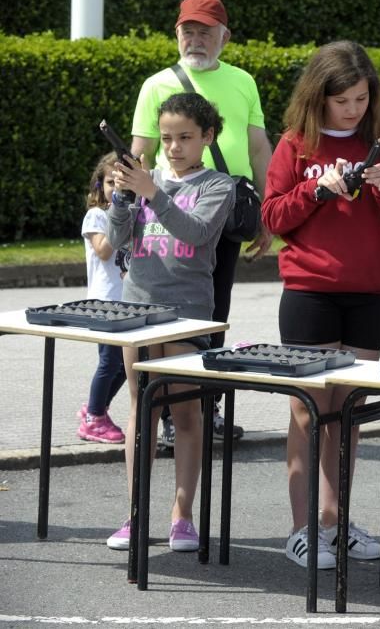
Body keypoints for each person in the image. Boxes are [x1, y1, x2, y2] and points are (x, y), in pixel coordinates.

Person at [261, 41, 380, 568]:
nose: (352, 109)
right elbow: (274, 217)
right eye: (342, 100)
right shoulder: (295, 145)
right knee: (309, 411)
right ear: (318, 97)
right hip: (309, 292)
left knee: (347, 415)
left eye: (360, 98)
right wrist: (316, 192)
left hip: (369, 293)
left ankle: (335, 520)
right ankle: (302, 528)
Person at [130, 0, 273, 446]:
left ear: (224, 38)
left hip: (225, 211)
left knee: (214, 312)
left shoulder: (242, 81)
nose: (195, 39)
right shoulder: (156, 84)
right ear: (177, 34)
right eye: (187, 30)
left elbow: (258, 148)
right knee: (163, 312)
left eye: (205, 32)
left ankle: (200, 408)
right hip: (169, 216)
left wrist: (267, 211)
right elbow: (140, 152)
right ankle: (171, 415)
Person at [104, 92, 235, 551]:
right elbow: (115, 239)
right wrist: (120, 199)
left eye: (185, 137)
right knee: (142, 410)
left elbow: (196, 234)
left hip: (187, 315)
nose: (174, 147)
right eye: (166, 138)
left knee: (185, 412)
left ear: (207, 136)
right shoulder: (148, 179)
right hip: (136, 310)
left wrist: (151, 193)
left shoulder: (219, 185)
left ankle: (183, 516)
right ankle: (135, 515)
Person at [77, 152, 126, 444]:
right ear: (99, 186)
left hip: (126, 302)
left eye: (122, 183)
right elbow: (105, 250)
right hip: (104, 303)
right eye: (111, 182)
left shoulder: (128, 214)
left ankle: (94, 409)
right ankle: (94, 418)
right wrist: (120, 211)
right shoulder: (96, 215)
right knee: (109, 362)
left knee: (124, 365)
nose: (116, 189)